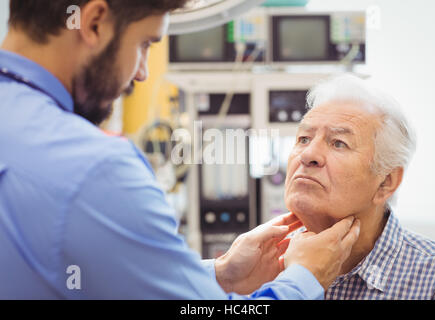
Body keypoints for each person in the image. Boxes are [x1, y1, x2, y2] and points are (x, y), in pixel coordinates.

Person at [0, 0, 360, 299]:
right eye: (144, 44)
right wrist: (305, 279)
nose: (141, 73)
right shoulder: (96, 171)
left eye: (340, 142)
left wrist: (220, 276)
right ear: (93, 23)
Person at [284, 74, 435, 299]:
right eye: (304, 138)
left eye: (339, 143)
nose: (308, 154)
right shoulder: (258, 263)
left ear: (385, 182)